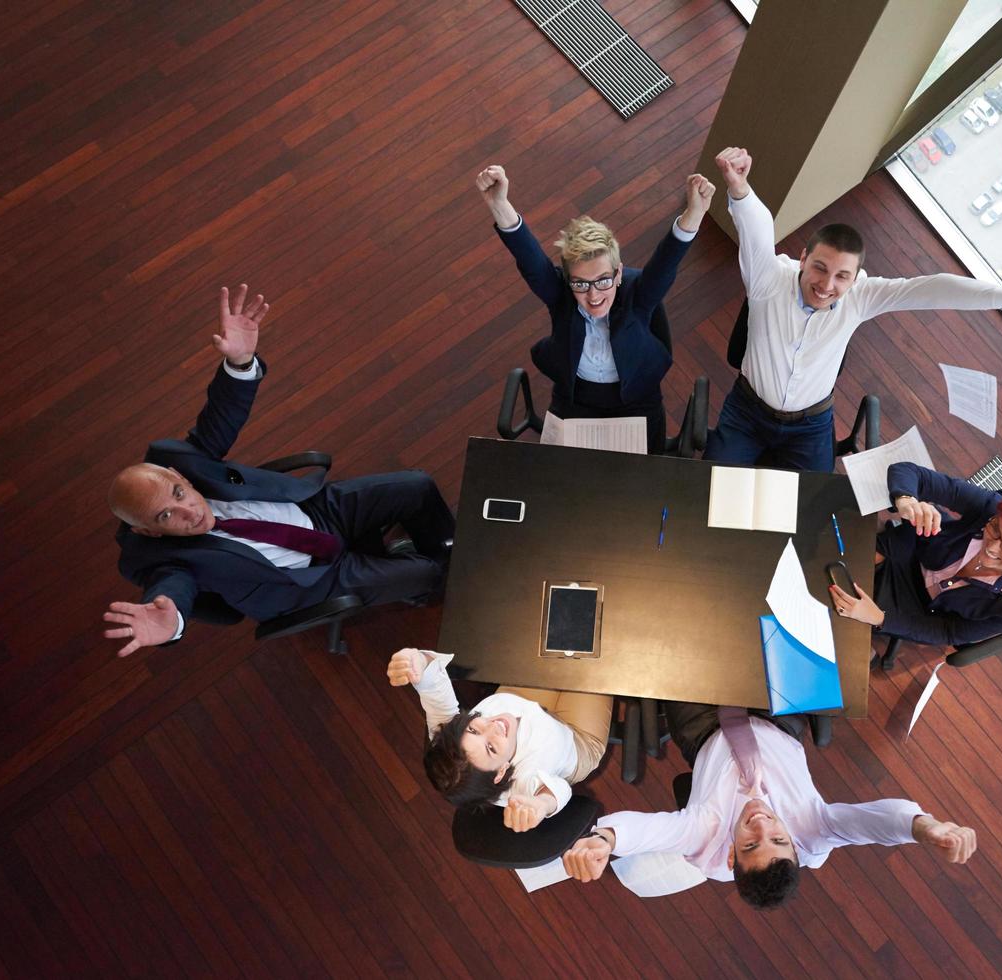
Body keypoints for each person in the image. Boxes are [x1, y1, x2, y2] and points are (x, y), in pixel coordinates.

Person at [102, 284, 455, 657]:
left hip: (315, 511)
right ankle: (429, 581)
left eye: (179, 494)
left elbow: (217, 423)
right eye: (166, 515)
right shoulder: (152, 559)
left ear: (180, 477)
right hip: (305, 581)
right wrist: (170, 621)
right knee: (426, 574)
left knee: (417, 486)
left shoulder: (174, 458)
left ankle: (447, 549)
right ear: (148, 531)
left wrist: (239, 363)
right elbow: (171, 588)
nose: (189, 511)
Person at [706, 146, 1002, 471]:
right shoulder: (768, 279)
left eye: (841, 276)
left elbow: (933, 289)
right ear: (803, 258)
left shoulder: (862, 294)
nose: (827, 286)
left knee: (809, 510)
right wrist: (739, 189)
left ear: (857, 276)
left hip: (809, 425)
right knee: (707, 487)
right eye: (819, 267)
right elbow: (756, 230)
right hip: (748, 412)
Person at [561, 701, 976, 909]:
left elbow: (653, 832)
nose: (761, 824)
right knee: (764, 612)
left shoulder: (703, 838)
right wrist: (924, 828)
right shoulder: (815, 830)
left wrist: (605, 839)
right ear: (795, 845)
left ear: (729, 856)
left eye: (749, 844)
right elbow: (873, 825)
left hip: (704, 726)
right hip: (779, 717)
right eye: (778, 837)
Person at [476, 165, 715, 453]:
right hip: (576, 399)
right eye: (580, 284)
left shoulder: (637, 293)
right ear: (568, 281)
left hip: (636, 401)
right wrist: (499, 204)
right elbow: (532, 263)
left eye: (603, 280)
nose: (593, 295)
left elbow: (666, 262)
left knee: (640, 481)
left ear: (618, 273)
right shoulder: (562, 295)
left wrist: (695, 213)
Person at [829, 462, 1002, 648]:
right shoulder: (990, 507)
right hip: (911, 552)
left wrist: (881, 619)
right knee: (830, 566)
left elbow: (949, 632)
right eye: (994, 530)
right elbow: (908, 472)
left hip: (920, 610)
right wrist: (907, 501)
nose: (991, 548)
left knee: (839, 628)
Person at [387, 647, 612, 831]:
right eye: (492, 748)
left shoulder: (448, 735)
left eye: (473, 729)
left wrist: (418, 660)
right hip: (577, 740)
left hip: (522, 700)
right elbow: (559, 791)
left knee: (551, 638)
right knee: (596, 658)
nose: (493, 727)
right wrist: (541, 804)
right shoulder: (522, 785)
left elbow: (433, 687)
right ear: (502, 772)